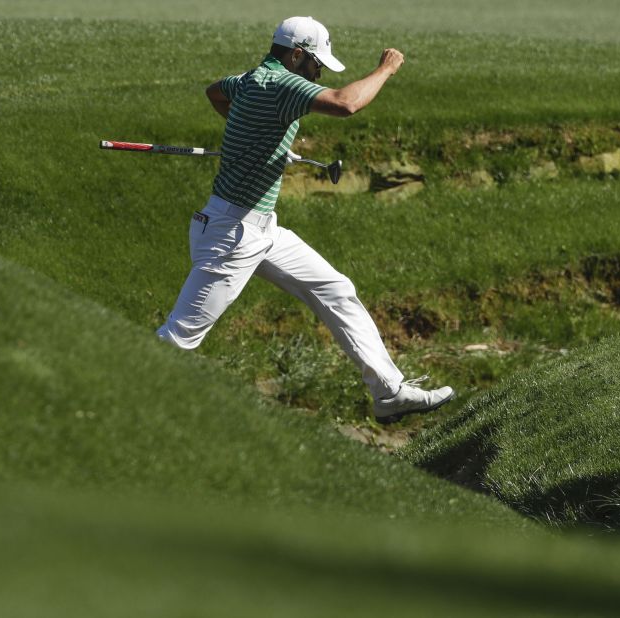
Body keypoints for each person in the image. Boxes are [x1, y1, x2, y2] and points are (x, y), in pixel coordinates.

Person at [156, 16, 454, 423]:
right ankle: (108, 399)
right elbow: (346, 104)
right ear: (296, 55)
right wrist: (385, 68)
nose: (317, 73)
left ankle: (389, 394)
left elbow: (216, 93)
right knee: (178, 337)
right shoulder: (282, 84)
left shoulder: (249, 79)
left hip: (262, 229)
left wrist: (259, 136)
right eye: (316, 64)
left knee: (336, 289)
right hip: (231, 236)